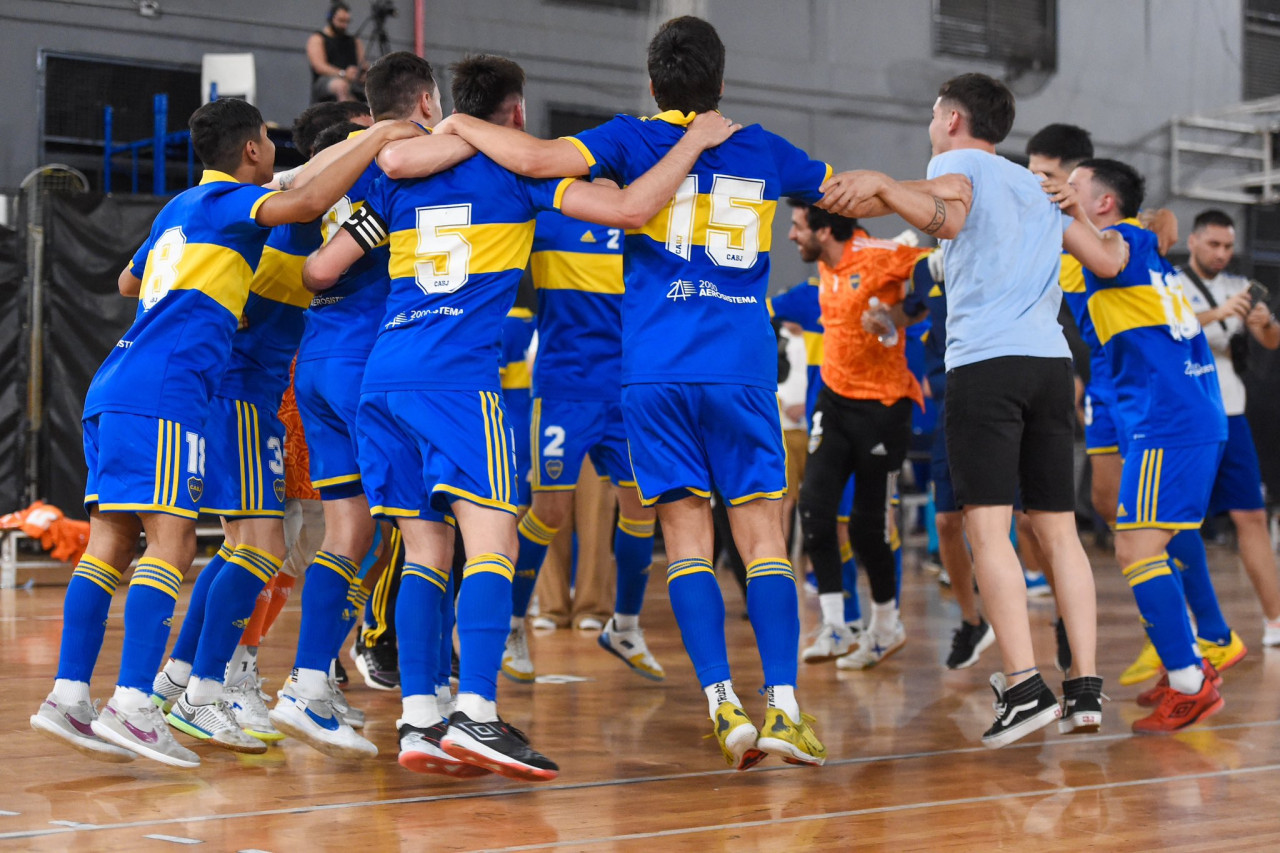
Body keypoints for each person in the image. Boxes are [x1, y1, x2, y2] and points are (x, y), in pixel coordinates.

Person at [430, 16, 858, 771]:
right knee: (762, 542)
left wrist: (456, 120)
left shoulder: (627, 141)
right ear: (720, 83)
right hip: (738, 368)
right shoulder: (760, 147)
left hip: (652, 373)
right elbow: (849, 192)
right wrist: (938, 190)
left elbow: (531, 156)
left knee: (685, 539)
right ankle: (785, 707)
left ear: (653, 83)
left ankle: (722, 700)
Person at [304, 52, 738, 780]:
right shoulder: (523, 174)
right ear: (514, 113)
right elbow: (632, 209)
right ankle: (475, 710)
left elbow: (320, 269)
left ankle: (419, 719)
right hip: (457, 383)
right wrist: (693, 143)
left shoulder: (394, 172)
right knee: (493, 540)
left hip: (384, 377)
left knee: (424, 552)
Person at [27, 97, 421, 768]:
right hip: (172, 389)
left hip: (116, 382)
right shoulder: (234, 205)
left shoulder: (179, 208)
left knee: (112, 543)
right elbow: (300, 200)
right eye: (268, 141)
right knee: (178, 543)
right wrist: (383, 131)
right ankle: (143, 697)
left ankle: (74, 691)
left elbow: (128, 278)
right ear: (251, 152)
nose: (274, 154)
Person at [818, 73, 1107, 747]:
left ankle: (1026, 684)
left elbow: (949, 207)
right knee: (1059, 531)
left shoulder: (954, 161)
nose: (929, 122)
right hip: (1048, 363)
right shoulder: (1036, 186)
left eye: (931, 112)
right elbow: (1103, 255)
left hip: (988, 366)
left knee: (988, 531)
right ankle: (1085, 689)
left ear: (952, 119)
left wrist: (887, 189)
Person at [273, 52, 467, 760]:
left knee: (348, 531)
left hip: (315, 361)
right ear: (424, 101)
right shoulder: (404, 163)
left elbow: (310, 266)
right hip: (366, 359)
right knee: (427, 532)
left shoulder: (341, 165)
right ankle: (429, 701)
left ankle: (306, 682)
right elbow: (324, 264)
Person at [1063, 158, 1229, 732]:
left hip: (1171, 419)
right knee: (1149, 543)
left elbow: (1111, 248)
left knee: (1136, 549)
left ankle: (1191, 680)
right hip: (1183, 415)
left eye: (1074, 187)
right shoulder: (1140, 247)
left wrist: (1059, 210)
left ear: (1103, 203)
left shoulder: (1118, 240)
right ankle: (1190, 661)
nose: (1063, 192)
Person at [501, 208, 663, 684]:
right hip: (562, 393)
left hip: (628, 391)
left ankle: (625, 627)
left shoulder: (646, 222)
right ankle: (512, 626)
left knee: (640, 509)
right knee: (549, 511)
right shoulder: (547, 221)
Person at [790, 203, 925, 671]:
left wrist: (896, 314)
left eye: (797, 227)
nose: (791, 236)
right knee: (814, 510)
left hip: (884, 408)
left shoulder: (882, 254)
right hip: (834, 400)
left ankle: (886, 626)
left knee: (869, 526)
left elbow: (937, 277)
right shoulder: (825, 264)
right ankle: (835, 625)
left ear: (824, 230)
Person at [1177, 210, 1280, 644]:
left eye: (1227, 246)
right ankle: (1185, 624)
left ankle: (1275, 620)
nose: (1221, 253)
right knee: (1178, 522)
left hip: (1232, 411)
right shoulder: (1171, 283)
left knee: (1251, 515)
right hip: (1184, 415)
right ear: (1194, 241)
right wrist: (1218, 313)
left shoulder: (1241, 287)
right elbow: (1167, 329)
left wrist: (1265, 324)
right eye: (1214, 244)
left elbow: (1271, 341)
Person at [307, 2, 366, 103]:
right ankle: (348, 115)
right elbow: (319, 66)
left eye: (347, 22)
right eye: (341, 21)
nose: (344, 25)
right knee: (341, 85)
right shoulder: (318, 38)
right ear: (331, 18)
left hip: (353, 81)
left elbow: (363, 63)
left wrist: (362, 74)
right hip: (327, 81)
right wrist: (343, 74)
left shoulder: (355, 41)